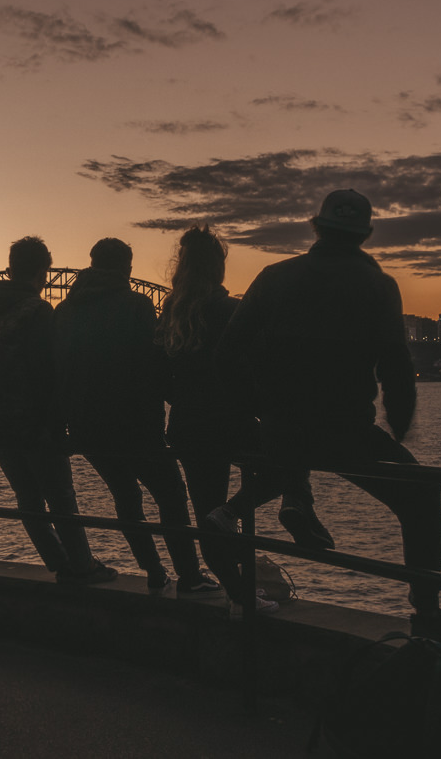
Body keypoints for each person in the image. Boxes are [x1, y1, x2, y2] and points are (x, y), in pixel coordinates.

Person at [212, 190, 441, 641]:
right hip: (345, 431)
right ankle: (426, 612)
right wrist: (400, 427)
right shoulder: (377, 285)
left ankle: (280, 500)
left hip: (280, 429)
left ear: (317, 227)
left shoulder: (274, 276)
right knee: (422, 495)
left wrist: (257, 411)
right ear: (365, 234)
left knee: (288, 457)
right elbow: (395, 369)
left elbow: (230, 352)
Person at [53, 237, 219, 597]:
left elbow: (56, 371)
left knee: (126, 499)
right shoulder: (136, 306)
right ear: (127, 268)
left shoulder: (64, 312)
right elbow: (154, 364)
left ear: (92, 263)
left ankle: (154, 570)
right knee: (171, 497)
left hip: (86, 430)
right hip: (136, 427)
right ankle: (189, 577)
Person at [0, 236, 116, 584]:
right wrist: (56, 423)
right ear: (44, 273)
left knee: (27, 497)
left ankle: (59, 562)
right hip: (36, 427)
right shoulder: (39, 312)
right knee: (61, 498)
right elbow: (51, 374)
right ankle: (83, 567)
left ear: (9, 269)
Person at [157, 226, 276, 613]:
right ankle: (235, 512)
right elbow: (254, 369)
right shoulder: (230, 311)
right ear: (218, 267)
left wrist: (185, 400)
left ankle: (240, 595)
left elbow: (163, 374)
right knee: (287, 465)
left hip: (188, 425)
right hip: (231, 421)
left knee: (204, 510)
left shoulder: (172, 309)